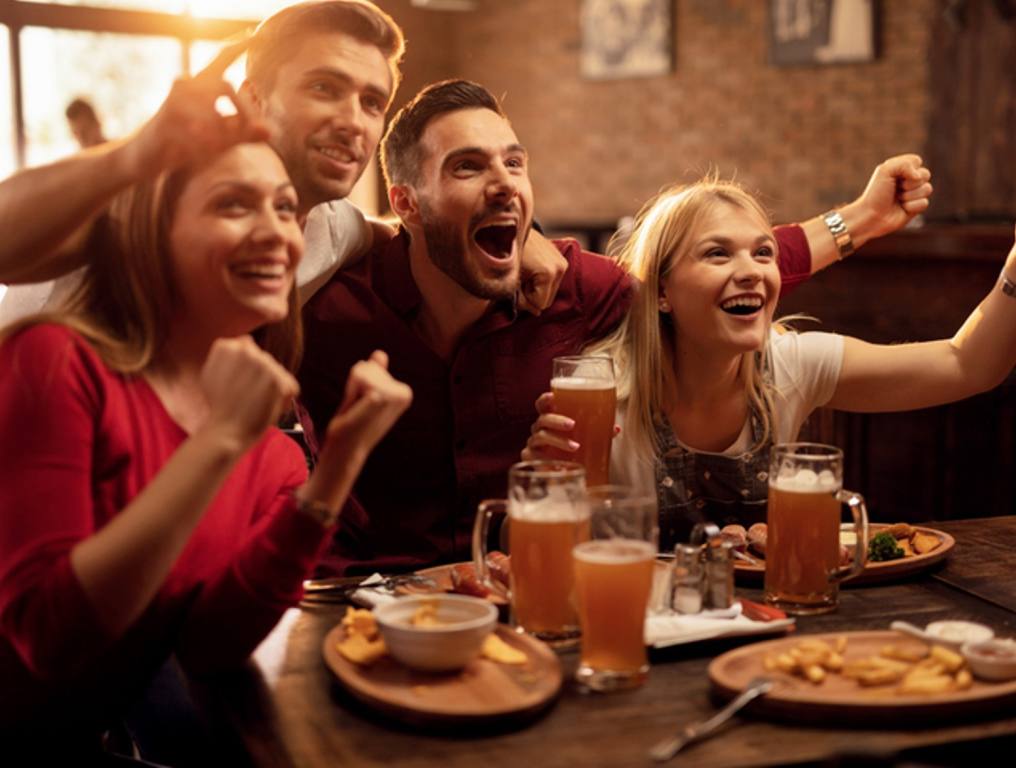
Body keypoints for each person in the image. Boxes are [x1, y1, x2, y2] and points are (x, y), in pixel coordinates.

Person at [298, 78, 930, 575]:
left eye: (514, 165)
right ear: (405, 202)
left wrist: (857, 221)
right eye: (468, 168)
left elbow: (702, 279)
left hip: (525, 596)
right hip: (357, 596)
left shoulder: (578, 288)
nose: (504, 186)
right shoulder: (328, 311)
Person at [0, 45, 412, 759]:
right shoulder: (55, 360)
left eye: (286, 211)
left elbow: (210, 644)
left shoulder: (271, 446)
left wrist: (336, 467)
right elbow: (49, 635)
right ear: (152, 235)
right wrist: (218, 439)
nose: (277, 233)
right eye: (232, 205)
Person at [0, 1, 565, 328]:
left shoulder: (331, 225)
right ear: (251, 99)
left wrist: (525, 236)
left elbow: (409, 226)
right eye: (324, 87)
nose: (354, 120)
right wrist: (133, 155)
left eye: (372, 102)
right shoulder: (157, 199)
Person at [523, 177, 1016, 549]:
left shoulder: (789, 364)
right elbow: (552, 554)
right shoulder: (600, 391)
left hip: (771, 627)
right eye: (718, 254)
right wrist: (544, 488)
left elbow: (967, 364)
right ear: (662, 292)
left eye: (763, 253)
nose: (752, 273)